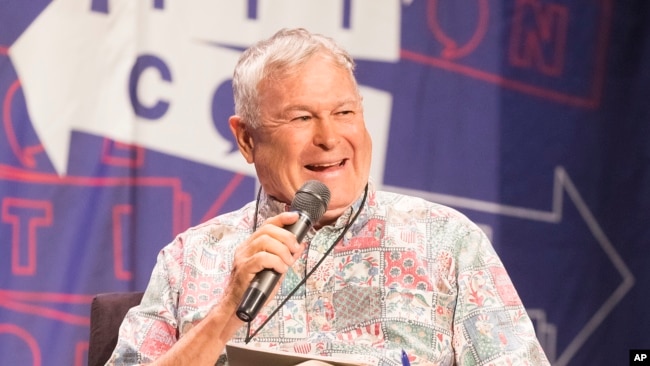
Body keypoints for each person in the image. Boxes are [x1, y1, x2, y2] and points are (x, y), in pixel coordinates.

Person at [107, 28, 550, 366]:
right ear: (246, 139)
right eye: (301, 117)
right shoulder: (191, 258)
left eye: (344, 113)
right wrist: (226, 312)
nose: (329, 137)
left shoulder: (447, 242)